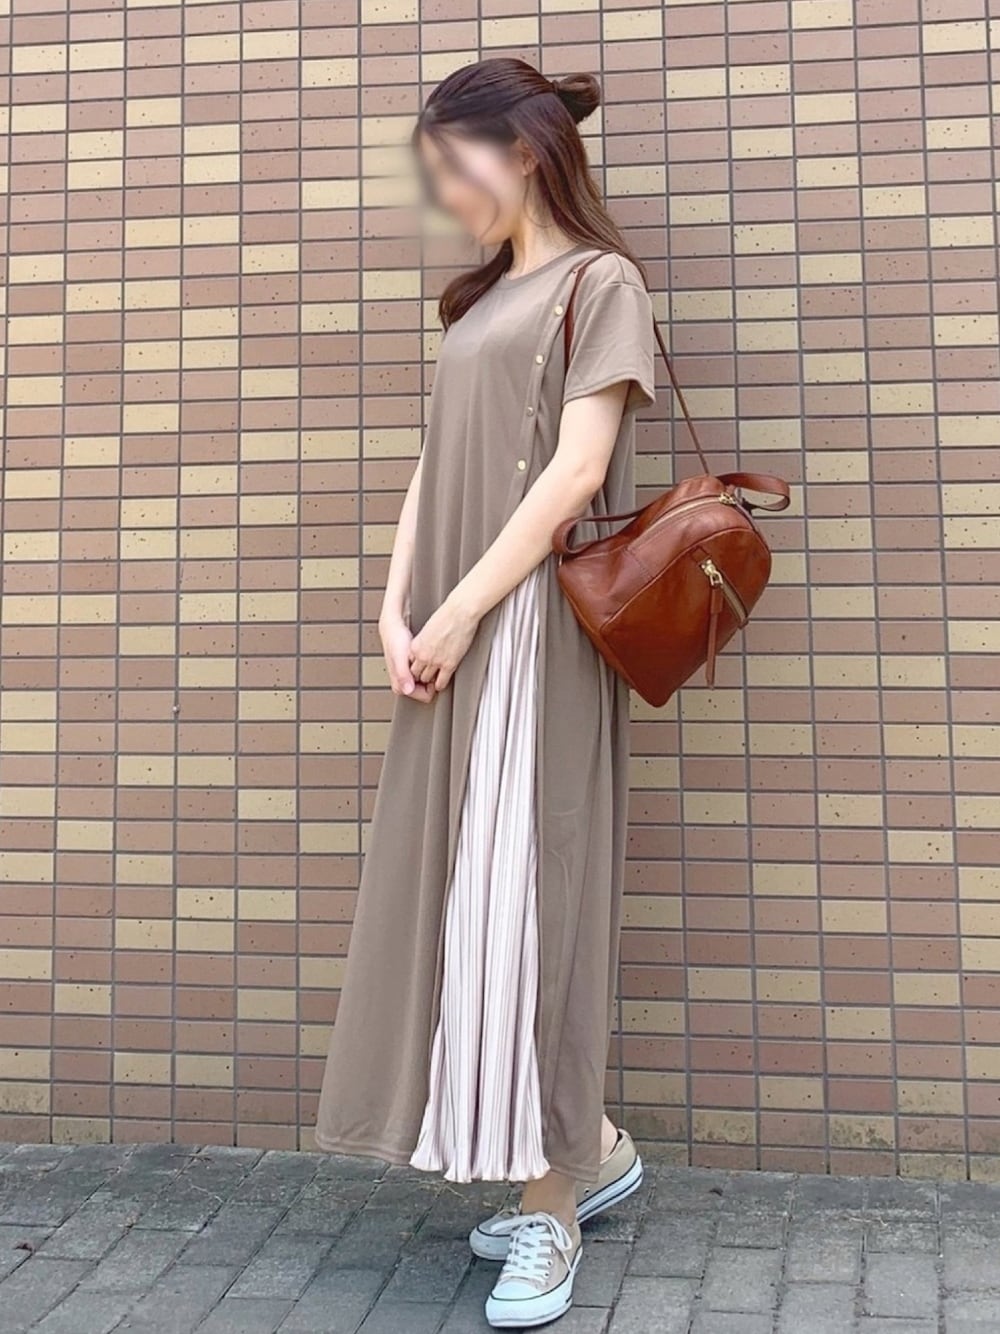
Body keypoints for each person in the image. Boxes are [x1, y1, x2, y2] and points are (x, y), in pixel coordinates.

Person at [314, 55, 657, 1329]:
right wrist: (395, 604)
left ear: (520, 149)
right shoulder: (480, 301)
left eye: (449, 166)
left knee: (530, 908)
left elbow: (576, 471)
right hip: (454, 632)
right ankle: (596, 1148)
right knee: (467, 900)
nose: (442, 194)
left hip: (531, 641)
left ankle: (553, 1200)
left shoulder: (598, 282)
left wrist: (459, 611)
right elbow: (432, 462)